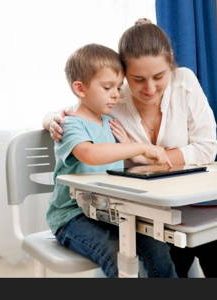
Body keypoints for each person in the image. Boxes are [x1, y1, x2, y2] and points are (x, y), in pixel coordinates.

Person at [43, 20, 217, 278]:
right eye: (137, 80)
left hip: (150, 202)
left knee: (211, 237)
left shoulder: (182, 83)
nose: (149, 88)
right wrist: (50, 118)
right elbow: (80, 121)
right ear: (125, 75)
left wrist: (142, 154)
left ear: (170, 65)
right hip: (104, 210)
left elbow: (206, 147)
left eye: (159, 77)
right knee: (136, 252)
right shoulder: (112, 101)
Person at [46, 43, 178, 278]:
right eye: (107, 87)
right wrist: (140, 147)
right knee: (117, 254)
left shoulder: (109, 123)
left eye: (118, 87)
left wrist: (148, 155)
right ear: (80, 88)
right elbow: (90, 154)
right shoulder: (71, 124)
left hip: (110, 212)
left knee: (157, 245)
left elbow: (130, 158)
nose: (116, 94)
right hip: (72, 217)